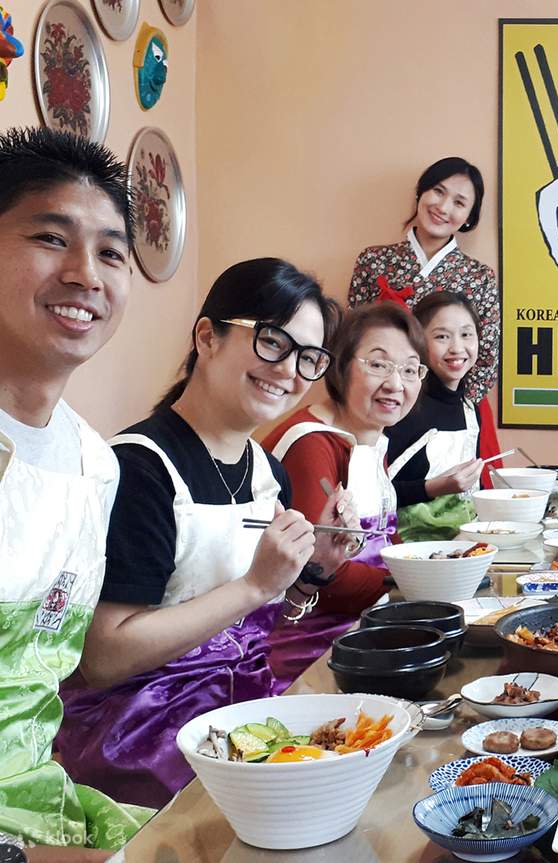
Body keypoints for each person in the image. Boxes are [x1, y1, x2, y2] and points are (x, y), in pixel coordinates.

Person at [56, 259, 356, 809]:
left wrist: (312, 574)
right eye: (272, 342)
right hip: (143, 737)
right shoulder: (138, 467)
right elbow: (103, 656)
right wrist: (254, 587)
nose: (289, 371)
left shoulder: (268, 472)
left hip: (243, 720)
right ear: (207, 336)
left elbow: (263, 612)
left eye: (309, 358)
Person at [0, 126, 152, 860]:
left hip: (45, 804)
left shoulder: (97, 462)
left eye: (111, 252)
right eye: (51, 237)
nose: (86, 274)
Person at [262, 302, 428, 686]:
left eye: (409, 369)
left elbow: (386, 541)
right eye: (378, 364)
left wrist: (417, 573)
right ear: (339, 365)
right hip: (308, 648)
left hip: (362, 628)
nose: (396, 383)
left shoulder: (370, 435)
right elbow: (321, 573)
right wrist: (410, 584)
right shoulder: (312, 442)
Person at [347, 157, 502, 483]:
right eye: (438, 192)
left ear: (469, 218)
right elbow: (352, 342)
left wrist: (452, 405)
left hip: (454, 403)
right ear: (420, 193)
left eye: (459, 202)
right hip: (385, 396)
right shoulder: (374, 262)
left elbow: (486, 355)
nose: (444, 207)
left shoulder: (479, 276)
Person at [386, 292, 486, 541]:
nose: (457, 348)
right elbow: (371, 496)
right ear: (419, 342)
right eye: (442, 336)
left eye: (466, 334)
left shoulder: (471, 409)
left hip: (464, 547)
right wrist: (436, 487)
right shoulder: (401, 405)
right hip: (403, 554)